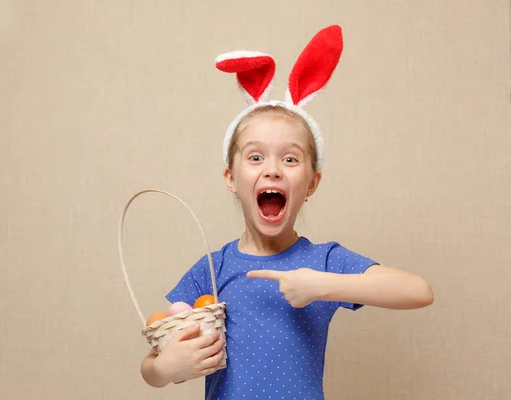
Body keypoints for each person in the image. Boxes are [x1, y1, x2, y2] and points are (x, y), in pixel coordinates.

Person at [140, 25, 434, 399]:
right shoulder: (212, 269)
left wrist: (323, 284)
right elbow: (150, 365)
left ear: (311, 183)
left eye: (291, 158)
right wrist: (165, 368)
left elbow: (418, 291)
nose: (273, 169)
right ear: (232, 178)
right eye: (256, 156)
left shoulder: (322, 261)